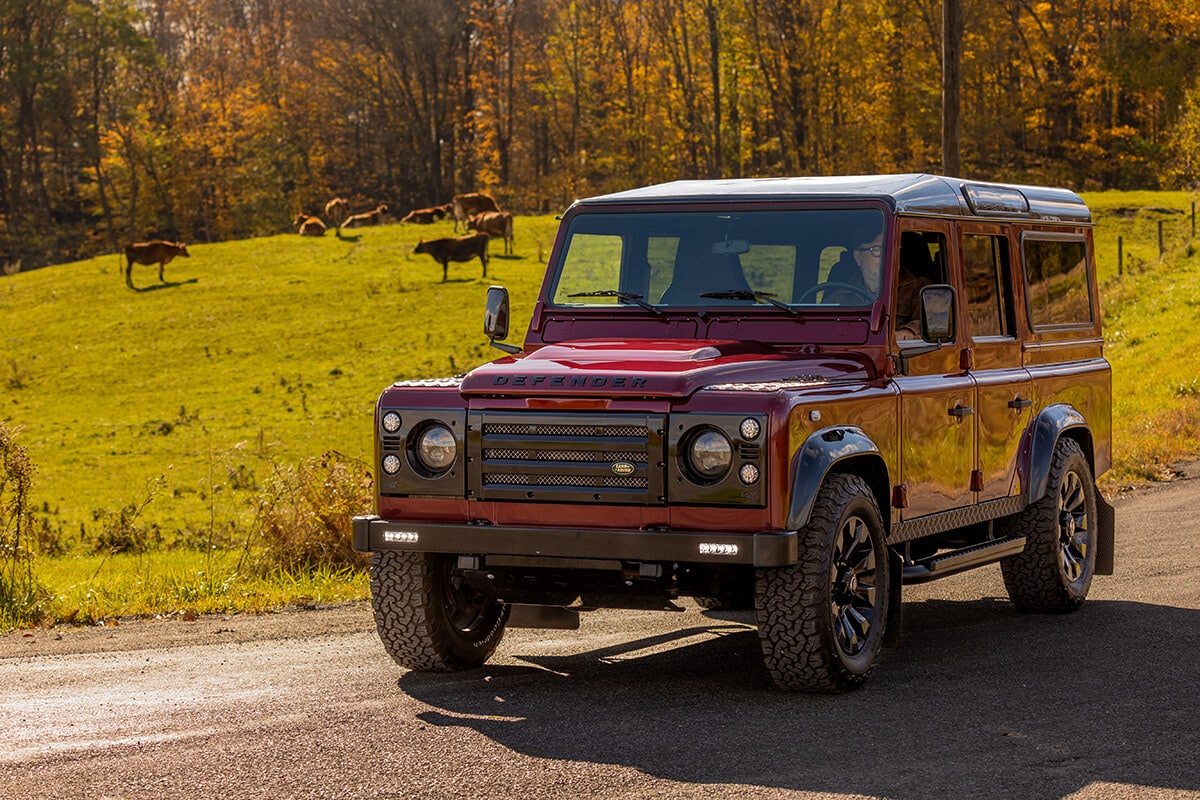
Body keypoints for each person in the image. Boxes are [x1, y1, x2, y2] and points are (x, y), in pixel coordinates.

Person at [827, 225, 932, 339]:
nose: (887, 257)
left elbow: (933, 323)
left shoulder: (922, 289)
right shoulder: (838, 298)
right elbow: (823, 331)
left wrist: (907, 333)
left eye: (892, 249)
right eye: (877, 250)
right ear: (858, 257)